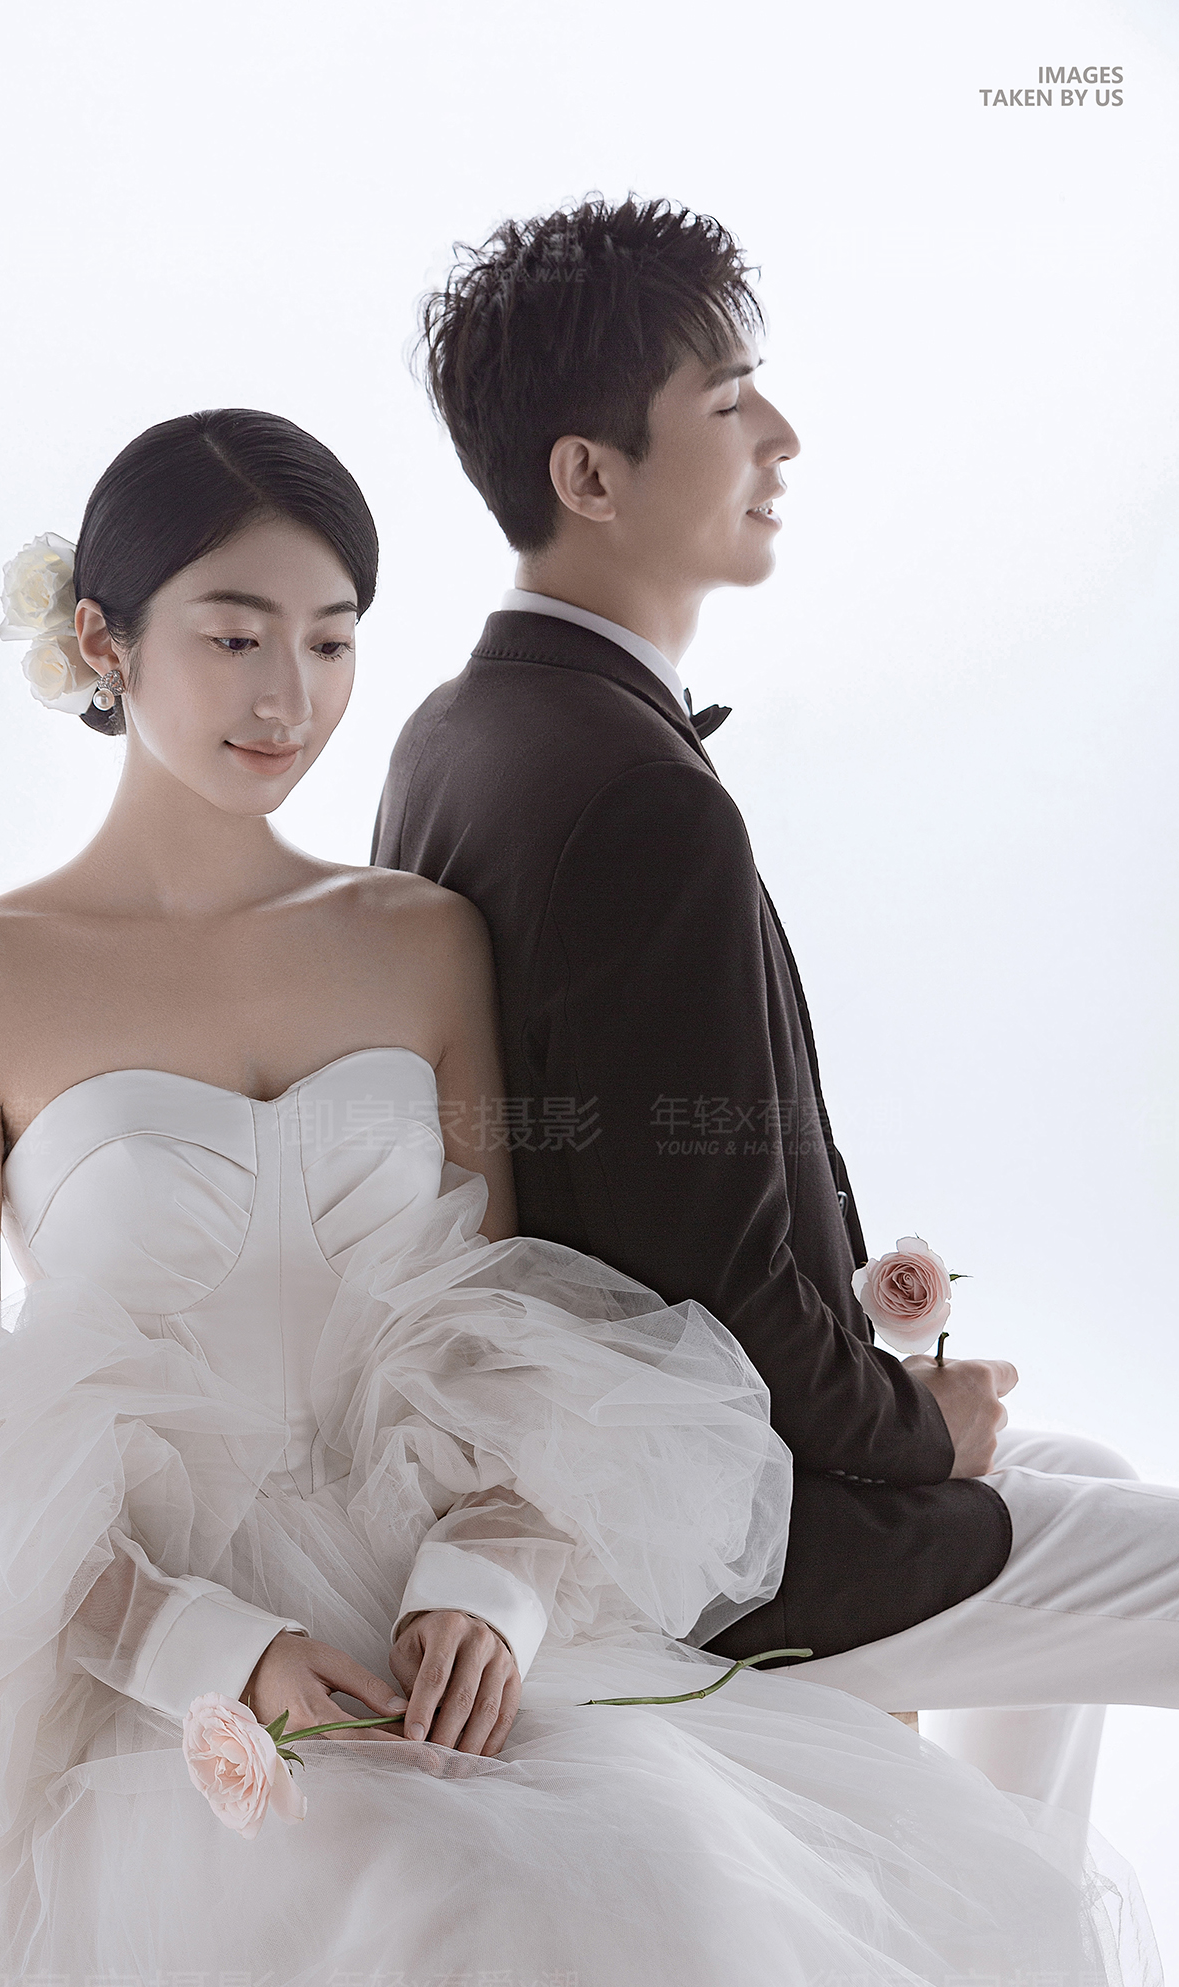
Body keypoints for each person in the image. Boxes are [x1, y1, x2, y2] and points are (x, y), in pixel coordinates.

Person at [0, 409, 1174, 1987]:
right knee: (469, 1920)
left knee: (648, 1879)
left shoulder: (411, 938)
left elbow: (516, 1320)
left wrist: (496, 1580)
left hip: (437, 1622)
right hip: (153, 1658)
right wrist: (213, 1651)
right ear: (101, 640)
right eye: (235, 632)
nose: (288, 694)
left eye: (331, 639)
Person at [370, 195, 1179, 1828]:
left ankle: (1014, 1959)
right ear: (589, 474)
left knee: (1088, 1476)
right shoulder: (639, 795)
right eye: (732, 401)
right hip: (727, 1542)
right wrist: (918, 1427)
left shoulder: (455, 730)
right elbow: (719, 1283)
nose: (782, 438)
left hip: (643, 1467)